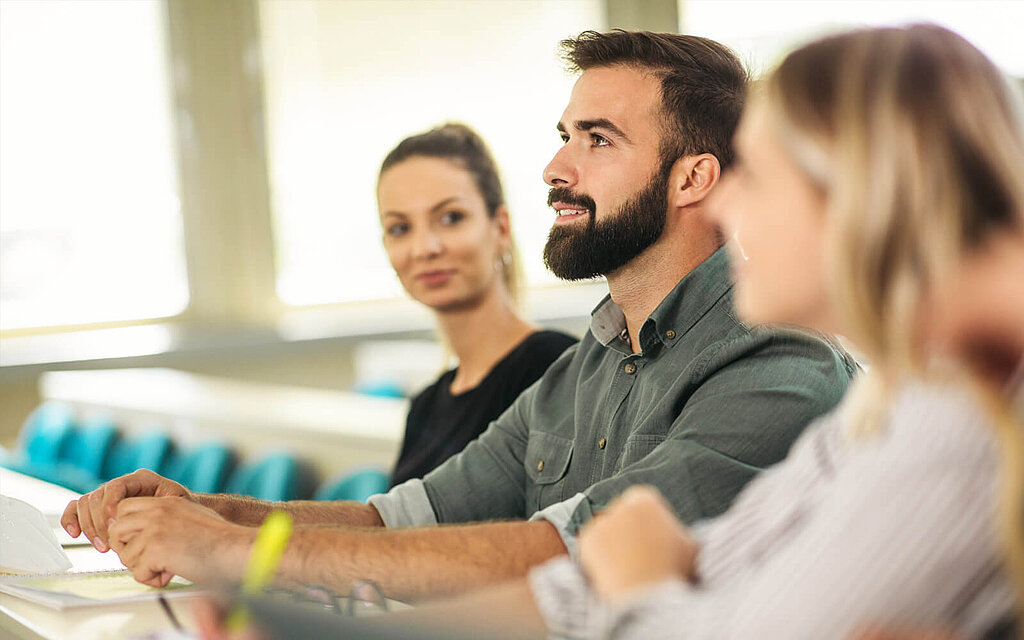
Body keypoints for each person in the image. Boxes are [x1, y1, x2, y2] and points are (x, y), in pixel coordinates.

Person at [60, 30, 854, 603]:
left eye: (598, 140)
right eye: (564, 136)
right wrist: (206, 511)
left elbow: (562, 555)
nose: (554, 167)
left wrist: (240, 553)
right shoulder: (599, 352)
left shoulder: (777, 362)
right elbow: (402, 516)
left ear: (693, 178)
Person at [513, 24, 1024, 639]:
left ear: (859, 192)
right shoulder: (893, 402)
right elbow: (722, 576)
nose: (722, 205)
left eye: (756, 175)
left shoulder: (962, 419)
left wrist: (638, 583)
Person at [375, 123, 577, 487]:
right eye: (400, 228)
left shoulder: (555, 369)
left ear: (500, 228)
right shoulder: (425, 406)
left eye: (451, 218)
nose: (425, 248)